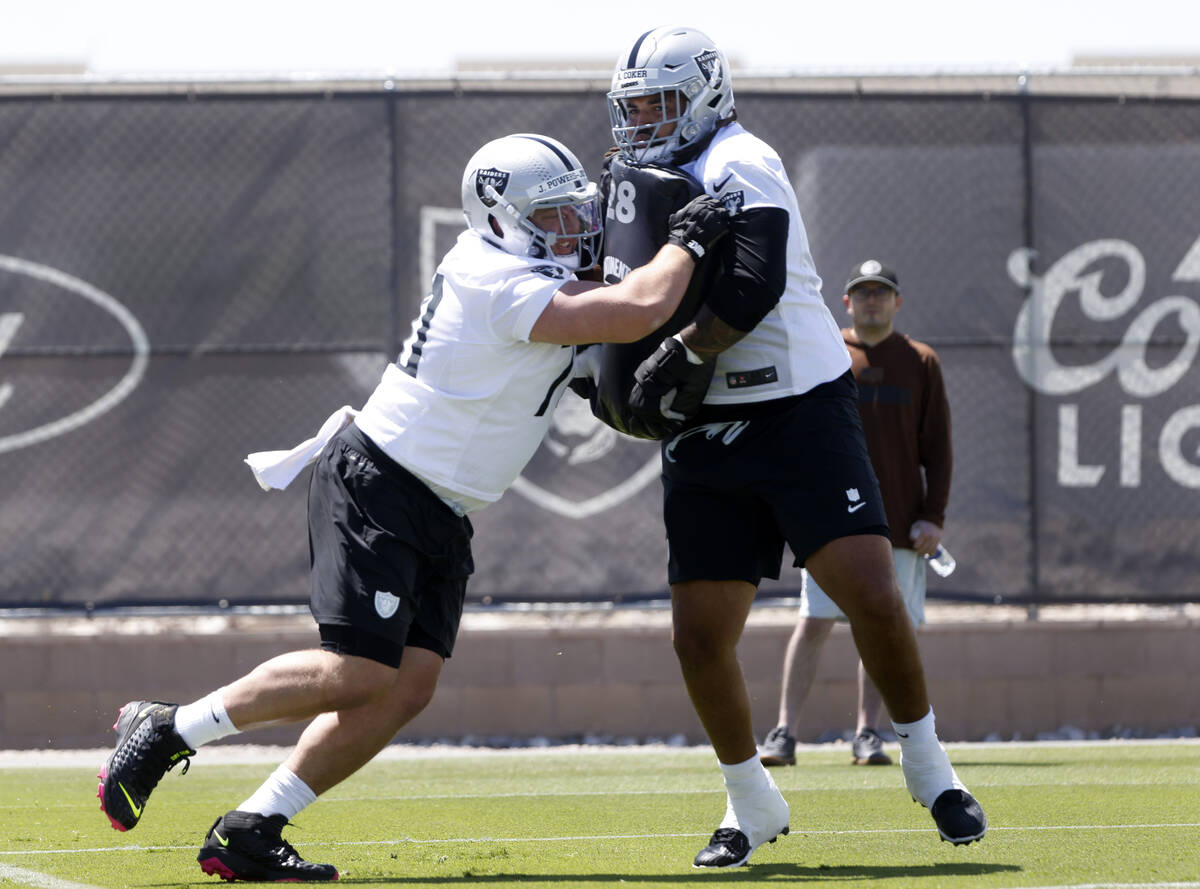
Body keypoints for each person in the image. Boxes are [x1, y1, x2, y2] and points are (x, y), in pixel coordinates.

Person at [94, 132, 731, 882]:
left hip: (438, 503)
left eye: (576, 212)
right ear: (501, 220)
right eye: (554, 217)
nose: (575, 230)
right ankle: (169, 726)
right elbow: (634, 309)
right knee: (358, 672)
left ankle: (252, 824)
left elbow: (606, 318)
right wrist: (687, 242)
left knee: (407, 686)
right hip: (384, 482)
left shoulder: (520, 268)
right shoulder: (497, 278)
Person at [600, 26, 987, 868]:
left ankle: (929, 767)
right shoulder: (644, 179)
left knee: (871, 593)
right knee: (699, 634)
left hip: (798, 409)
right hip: (705, 426)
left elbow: (754, 278)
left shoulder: (744, 159)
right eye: (634, 106)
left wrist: (680, 352)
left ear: (704, 93)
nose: (643, 121)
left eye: (658, 104)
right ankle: (751, 801)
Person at [758, 260, 953, 770]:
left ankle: (868, 734)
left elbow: (939, 449)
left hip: (901, 528)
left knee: (883, 623)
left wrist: (933, 516)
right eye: (862, 293)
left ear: (896, 301)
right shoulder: (827, 352)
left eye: (881, 293)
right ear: (846, 302)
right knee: (814, 620)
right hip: (831, 521)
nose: (872, 301)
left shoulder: (921, 361)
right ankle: (784, 734)